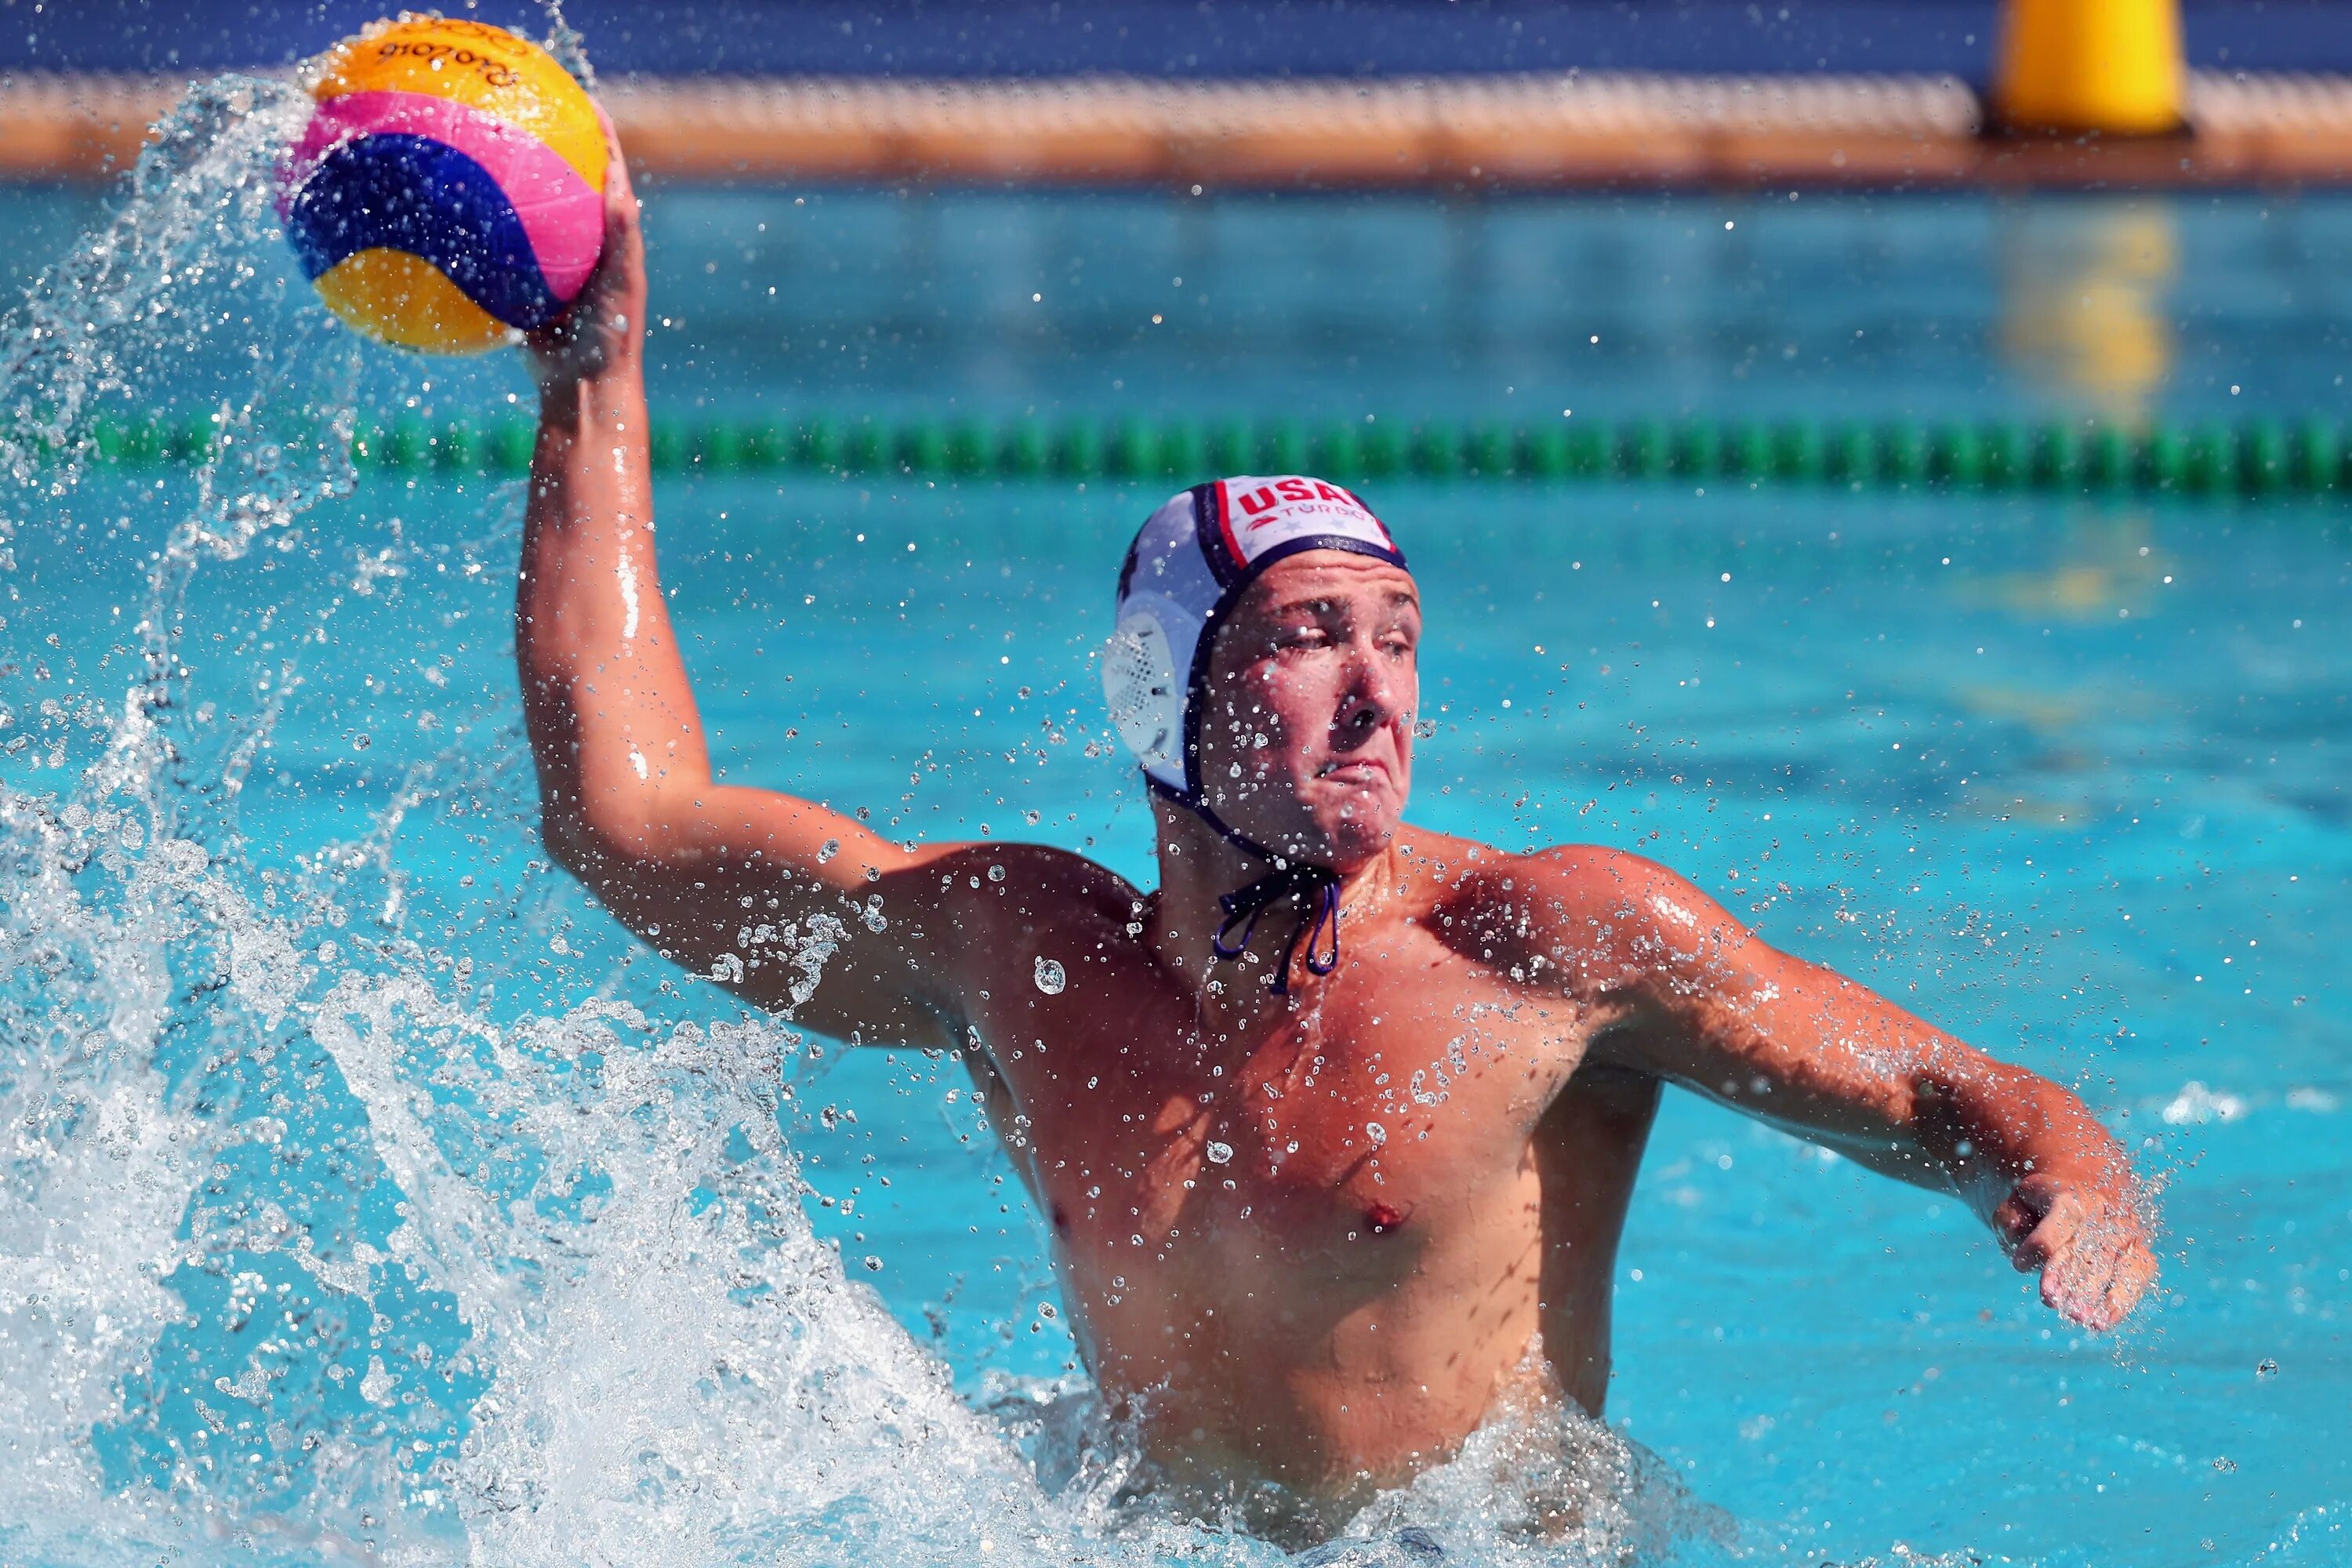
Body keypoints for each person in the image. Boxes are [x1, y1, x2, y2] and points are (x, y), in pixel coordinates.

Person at [516, 124, 2156, 1537]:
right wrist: (595, 387)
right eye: (1309, 637)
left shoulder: (1547, 947)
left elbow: (1959, 1095)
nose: (1379, 691)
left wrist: (2072, 1188)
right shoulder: (1018, 954)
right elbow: (626, 820)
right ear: (1165, 693)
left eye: (1401, 634)